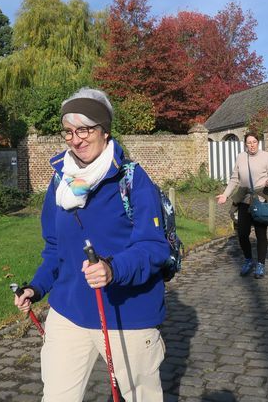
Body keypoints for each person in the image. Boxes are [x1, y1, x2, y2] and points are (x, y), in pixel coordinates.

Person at [14, 88, 169, 402]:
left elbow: (154, 248)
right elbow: (56, 249)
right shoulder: (60, 183)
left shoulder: (132, 180)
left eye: (85, 129)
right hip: (68, 312)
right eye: (69, 131)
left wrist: (112, 269)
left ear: (105, 130)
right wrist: (37, 287)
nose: (76, 138)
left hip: (126, 315)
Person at [216, 131, 268, 279]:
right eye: (249, 143)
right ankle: (248, 259)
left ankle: (260, 264)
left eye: (254, 142)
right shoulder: (241, 157)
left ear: (258, 142)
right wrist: (225, 195)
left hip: (261, 199)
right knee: (242, 233)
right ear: (245, 144)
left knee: (260, 234)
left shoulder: (266, 156)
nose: (252, 145)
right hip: (244, 199)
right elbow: (234, 179)